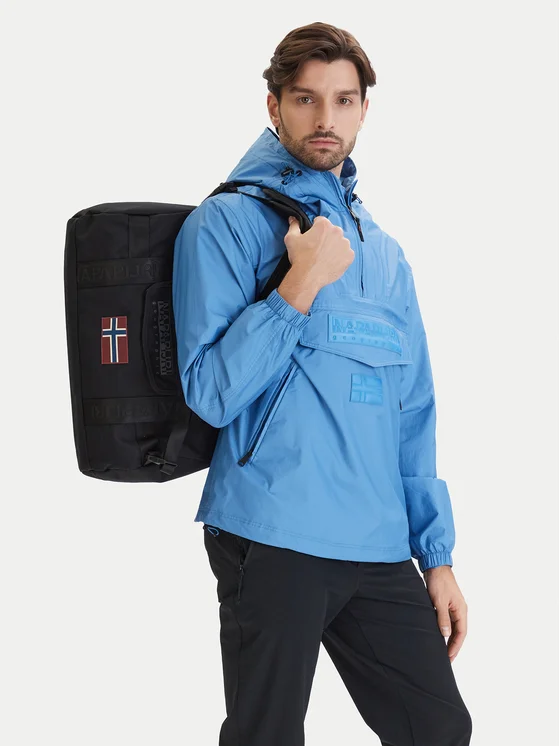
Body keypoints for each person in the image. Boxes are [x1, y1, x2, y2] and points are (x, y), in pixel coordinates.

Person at [172, 20, 472, 746]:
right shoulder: (225, 223)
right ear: (274, 106)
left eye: (343, 100)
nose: (325, 119)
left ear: (365, 109)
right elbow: (209, 391)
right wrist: (298, 284)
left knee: (438, 727)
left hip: (377, 542)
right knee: (267, 735)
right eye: (305, 99)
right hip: (273, 532)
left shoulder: (384, 253)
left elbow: (412, 411)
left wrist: (436, 555)